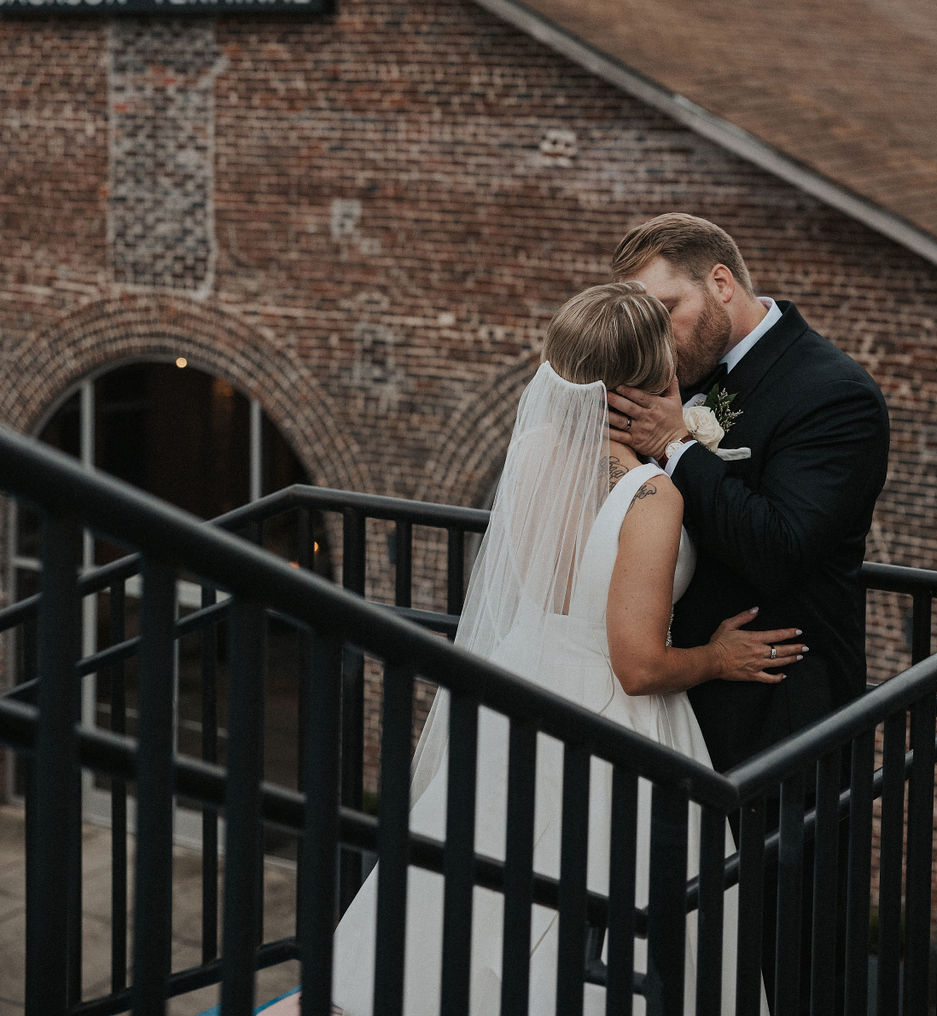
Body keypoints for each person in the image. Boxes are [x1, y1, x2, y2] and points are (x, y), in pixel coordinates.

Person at [260, 284, 801, 1016]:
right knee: (607, 904)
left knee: (480, 880)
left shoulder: (532, 448)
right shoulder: (649, 496)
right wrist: (717, 656)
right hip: (610, 727)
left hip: (520, 689)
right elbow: (637, 666)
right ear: (652, 375)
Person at [607, 214, 890, 772]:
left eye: (666, 312)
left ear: (720, 283)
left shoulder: (834, 394)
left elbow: (781, 547)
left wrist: (675, 445)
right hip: (669, 700)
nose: (658, 338)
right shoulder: (677, 373)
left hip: (777, 713)